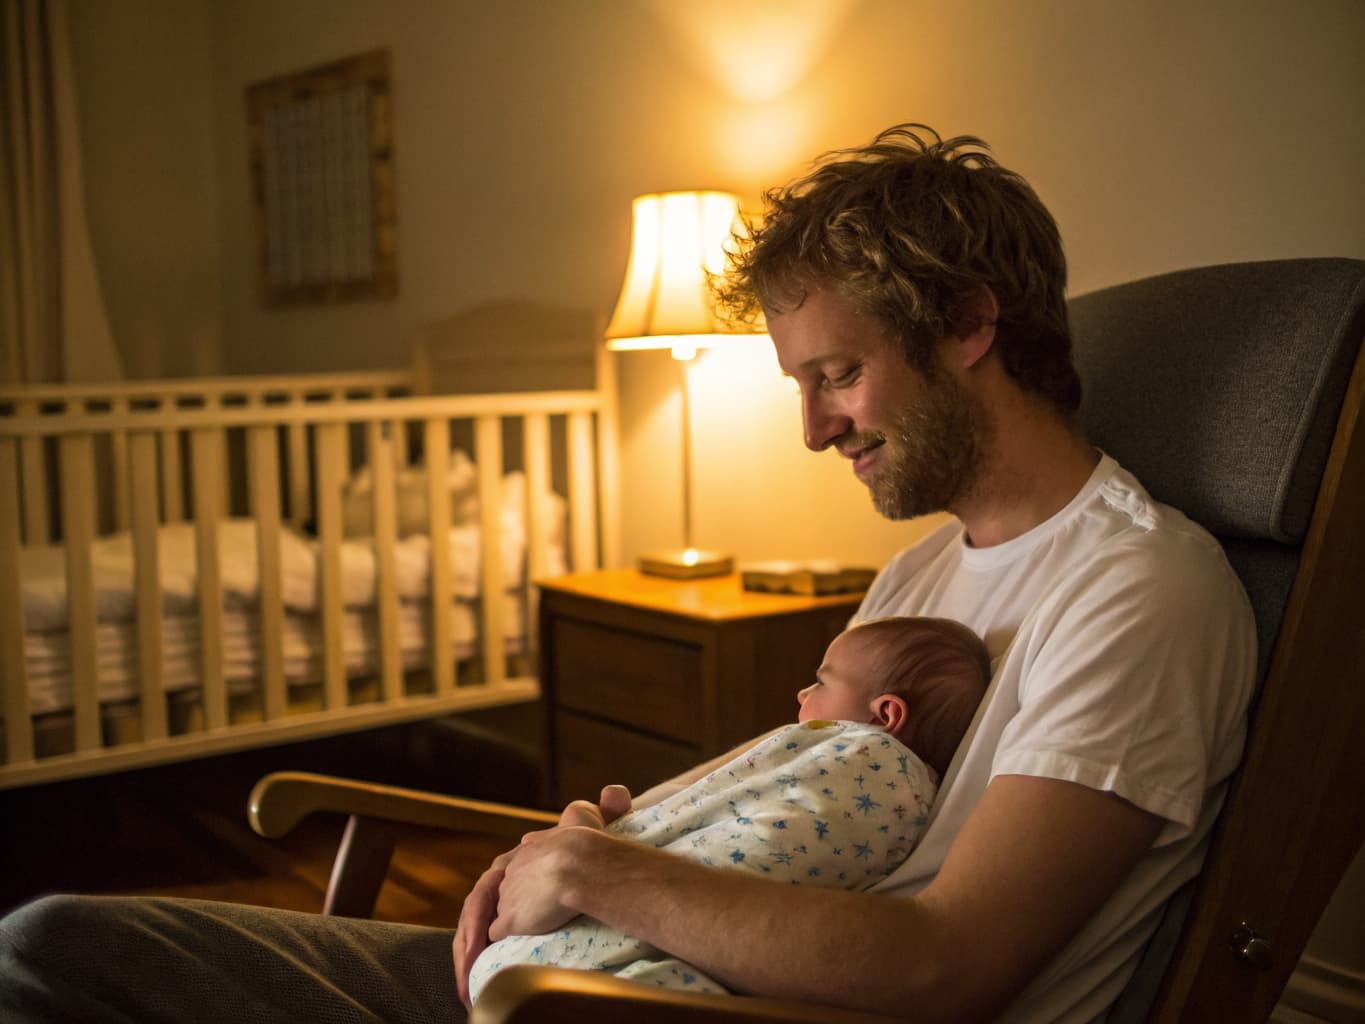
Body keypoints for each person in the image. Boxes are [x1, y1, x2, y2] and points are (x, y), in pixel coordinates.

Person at [0, 124, 1256, 1024]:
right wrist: (625, 838)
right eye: (802, 386)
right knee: (54, 940)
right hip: (631, 970)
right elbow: (814, 808)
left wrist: (606, 875)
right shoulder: (927, 570)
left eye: (837, 374)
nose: (816, 430)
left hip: (700, 1005)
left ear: (973, 324)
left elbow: (946, 964)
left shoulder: (1139, 592)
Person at [467, 615, 990, 1003]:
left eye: (823, 683)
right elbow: (723, 805)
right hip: (527, 971)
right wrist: (600, 831)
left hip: (557, 988)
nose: (804, 692)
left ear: (887, 715)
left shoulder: (870, 767)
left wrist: (593, 847)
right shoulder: (910, 573)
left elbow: (764, 849)